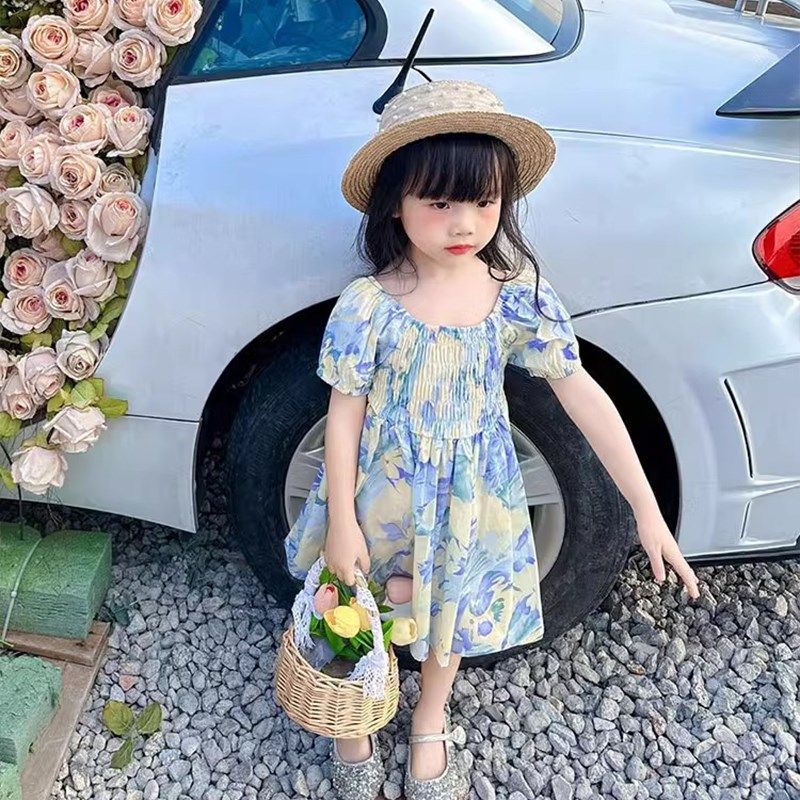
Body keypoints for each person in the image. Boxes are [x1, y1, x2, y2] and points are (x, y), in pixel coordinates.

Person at [283, 79, 701, 800]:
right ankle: (354, 713)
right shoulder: (368, 305)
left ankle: (429, 720)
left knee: (450, 605)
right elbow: (343, 414)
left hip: (475, 493)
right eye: (439, 202)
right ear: (395, 202)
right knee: (358, 598)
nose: (464, 223)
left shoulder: (515, 294)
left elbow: (581, 392)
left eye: (483, 202)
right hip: (381, 493)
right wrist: (343, 519)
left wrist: (646, 507)